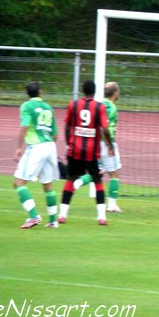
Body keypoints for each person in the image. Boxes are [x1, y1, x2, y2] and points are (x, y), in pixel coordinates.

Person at [58, 80, 114, 226]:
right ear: (94, 91)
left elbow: (67, 127)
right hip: (91, 151)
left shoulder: (73, 104)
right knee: (97, 180)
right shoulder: (100, 107)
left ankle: (62, 215)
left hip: (74, 149)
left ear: (83, 91)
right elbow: (105, 129)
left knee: (70, 179)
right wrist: (110, 146)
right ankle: (102, 217)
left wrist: (68, 144)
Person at [13, 82, 60, 229]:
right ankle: (53, 221)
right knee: (48, 185)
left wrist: (19, 147)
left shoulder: (26, 106)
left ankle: (34, 216)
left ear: (27, 94)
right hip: (50, 146)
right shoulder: (49, 108)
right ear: (40, 92)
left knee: (19, 183)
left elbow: (25, 126)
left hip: (36, 147)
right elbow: (55, 135)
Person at [74, 82, 123, 213]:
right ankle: (112, 205)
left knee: (97, 172)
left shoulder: (99, 105)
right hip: (106, 143)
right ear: (115, 93)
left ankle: (78, 182)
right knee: (114, 173)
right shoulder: (111, 107)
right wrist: (109, 145)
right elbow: (104, 127)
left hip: (94, 143)